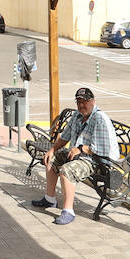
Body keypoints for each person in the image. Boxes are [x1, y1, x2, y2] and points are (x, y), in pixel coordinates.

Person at [31, 87, 117, 225]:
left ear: (93, 101)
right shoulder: (77, 116)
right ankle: (50, 199)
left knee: (67, 170)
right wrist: (52, 149)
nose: (81, 105)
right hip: (78, 155)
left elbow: (103, 150)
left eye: (85, 102)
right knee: (51, 159)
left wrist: (81, 149)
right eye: (79, 102)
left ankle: (68, 211)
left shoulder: (100, 119)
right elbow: (64, 137)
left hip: (97, 161)